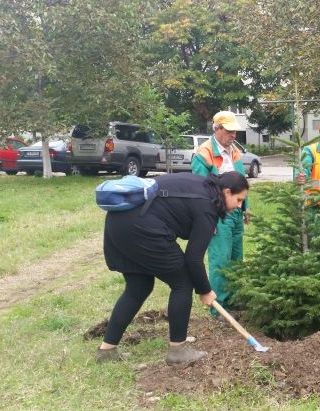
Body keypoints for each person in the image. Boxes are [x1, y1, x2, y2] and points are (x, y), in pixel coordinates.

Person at [97, 172, 249, 364]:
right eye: (238, 199)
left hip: (118, 223)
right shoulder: (207, 206)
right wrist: (205, 290)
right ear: (227, 192)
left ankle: (106, 351)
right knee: (183, 283)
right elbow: (193, 259)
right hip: (142, 229)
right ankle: (178, 351)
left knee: (138, 287)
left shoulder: (201, 184)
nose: (239, 206)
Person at [191, 111, 251, 317]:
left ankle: (235, 299)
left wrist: (245, 206)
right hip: (217, 214)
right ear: (216, 129)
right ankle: (220, 308)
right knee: (220, 259)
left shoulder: (234, 152)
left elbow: (241, 183)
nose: (233, 135)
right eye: (229, 131)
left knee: (236, 258)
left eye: (235, 131)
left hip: (235, 212)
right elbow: (201, 189)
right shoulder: (204, 153)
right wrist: (209, 218)